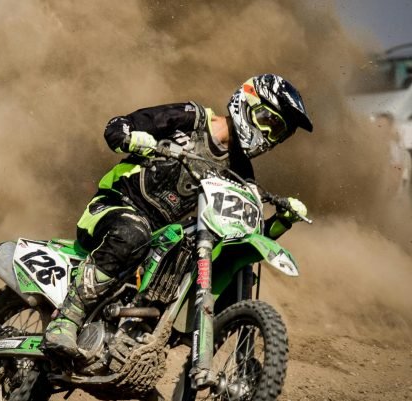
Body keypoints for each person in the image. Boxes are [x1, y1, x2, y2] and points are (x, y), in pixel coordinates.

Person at [44, 74, 314, 357]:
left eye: (280, 134)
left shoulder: (241, 171)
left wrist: (282, 221)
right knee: (134, 232)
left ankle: (147, 349)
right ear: (248, 103)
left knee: (223, 263)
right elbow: (119, 125)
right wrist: (131, 137)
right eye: (270, 123)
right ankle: (66, 319)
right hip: (115, 207)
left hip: (163, 240)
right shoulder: (191, 119)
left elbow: (247, 235)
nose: (271, 137)